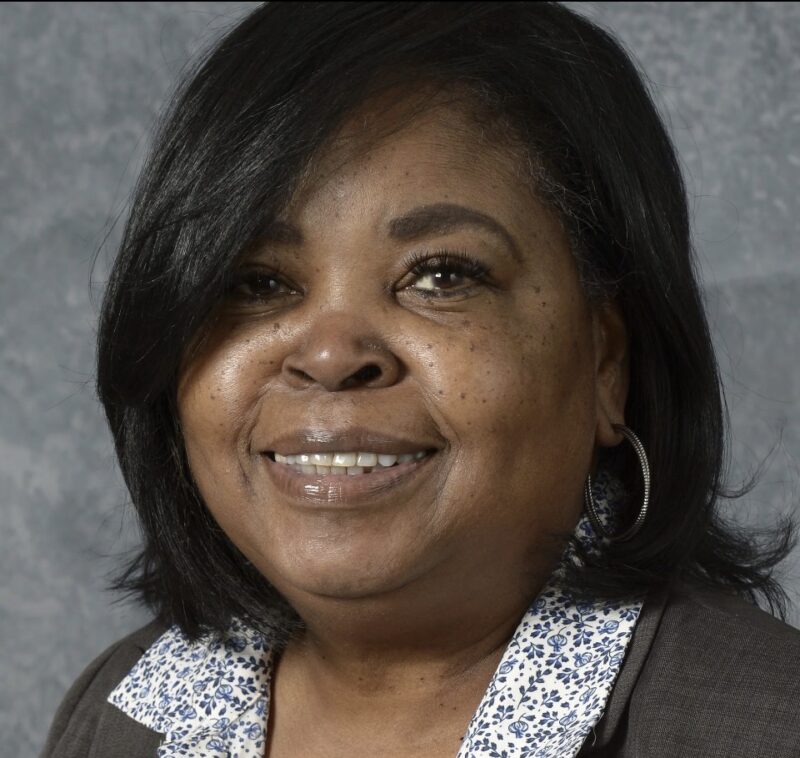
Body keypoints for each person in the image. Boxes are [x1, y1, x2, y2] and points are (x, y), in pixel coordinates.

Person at [42, 3, 800, 756]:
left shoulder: (766, 727)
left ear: (607, 362)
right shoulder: (117, 720)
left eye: (440, 275)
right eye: (258, 282)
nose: (331, 355)